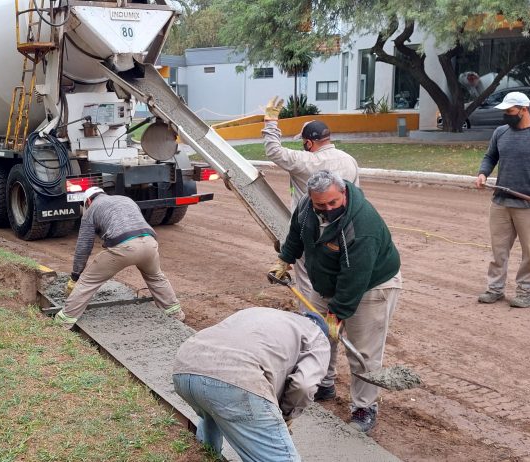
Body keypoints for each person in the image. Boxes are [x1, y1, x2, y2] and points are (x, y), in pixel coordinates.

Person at [269, 170, 402, 434]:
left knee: (362, 351)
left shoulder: (362, 226)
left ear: (343, 193)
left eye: (333, 203)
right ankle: (323, 384)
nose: (328, 209)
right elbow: (296, 234)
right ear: (311, 198)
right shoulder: (307, 208)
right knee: (317, 336)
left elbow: (355, 277)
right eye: (321, 205)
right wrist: (284, 260)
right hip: (327, 281)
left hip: (370, 286)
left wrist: (336, 315)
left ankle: (364, 407)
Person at [172, 307, 331, 462]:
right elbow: (304, 386)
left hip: (185, 366)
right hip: (236, 378)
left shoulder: (261, 312)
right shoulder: (317, 336)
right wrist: (285, 415)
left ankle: (205, 454)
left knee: (213, 412)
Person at [262, 97, 360, 301]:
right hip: (344, 230)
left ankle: (311, 319)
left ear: (309, 142)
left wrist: (271, 121)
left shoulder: (305, 161)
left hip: (311, 232)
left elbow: (273, 150)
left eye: (303, 142)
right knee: (339, 275)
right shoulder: (349, 160)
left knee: (308, 281)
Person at [474, 91, 530, 308]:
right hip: (501, 203)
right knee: (499, 251)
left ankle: (526, 292)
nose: (506, 115)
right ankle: (495, 289)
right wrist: (483, 173)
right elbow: (490, 156)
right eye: (505, 112)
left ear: (524, 110)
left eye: (510, 111)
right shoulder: (501, 132)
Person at [53, 187, 183, 327]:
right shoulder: (126, 200)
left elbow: (84, 246)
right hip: (150, 243)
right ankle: (174, 312)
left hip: (124, 247)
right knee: (156, 277)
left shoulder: (91, 210)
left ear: (88, 201)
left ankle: (64, 321)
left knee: (87, 282)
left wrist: (75, 275)